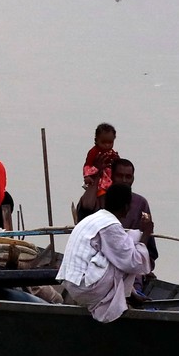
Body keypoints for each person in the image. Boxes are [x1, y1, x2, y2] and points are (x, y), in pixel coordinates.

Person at [58, 183, 151, 323]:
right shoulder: (110, 226)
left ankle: (127, 295)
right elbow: (134, 263)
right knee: (133, 240)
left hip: (73, 286)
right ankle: (117, 303)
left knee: (123, 248)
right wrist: (146, 234)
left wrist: (131, 292)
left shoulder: (92, 219)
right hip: (87, 289)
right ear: (126, 207)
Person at [110, 158, 157, 271]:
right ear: (111, 176)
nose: (124, 180)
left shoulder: (141, 203)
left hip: (133, 262)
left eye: (128, 177)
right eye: (120, 176)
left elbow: (150, 250)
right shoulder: (101, 199)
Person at [78, 123, 118, 217]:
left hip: (108, 177)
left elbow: (116, 162)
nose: (107, 145)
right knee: (100, 195)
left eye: (110, 142)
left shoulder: (111, 152)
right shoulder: (94, 152)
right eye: (104, 142)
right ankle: (102, 209)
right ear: (96, 140)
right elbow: (87, 165)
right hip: (98, 179)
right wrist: (87, 176)